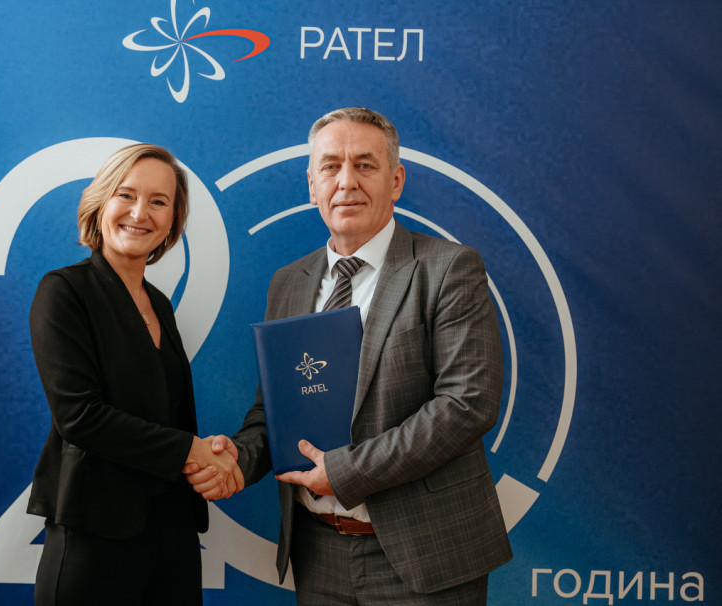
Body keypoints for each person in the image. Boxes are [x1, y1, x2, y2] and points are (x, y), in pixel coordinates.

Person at [187, 108, 512, 605]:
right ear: (312, 185)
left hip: (424, 554)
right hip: (318, 553)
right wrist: (238, 458)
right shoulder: (288, 282)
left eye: (364, 165)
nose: (346, 182)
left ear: (396, 180)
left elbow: (467, 404)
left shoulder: (448, 268)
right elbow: (275, 410)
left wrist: (344, 473)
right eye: (330, 167)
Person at [27, 143, 243, 606]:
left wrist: (207, 457)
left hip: (172, 533)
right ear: (100, 203)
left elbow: (165, 415)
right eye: (126, 195)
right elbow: (79, 417)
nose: (140, 213)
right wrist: (193, 450)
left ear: (172, 220)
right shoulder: (63, 291)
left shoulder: (160, 304)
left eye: (158, 201)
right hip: (94, 534)